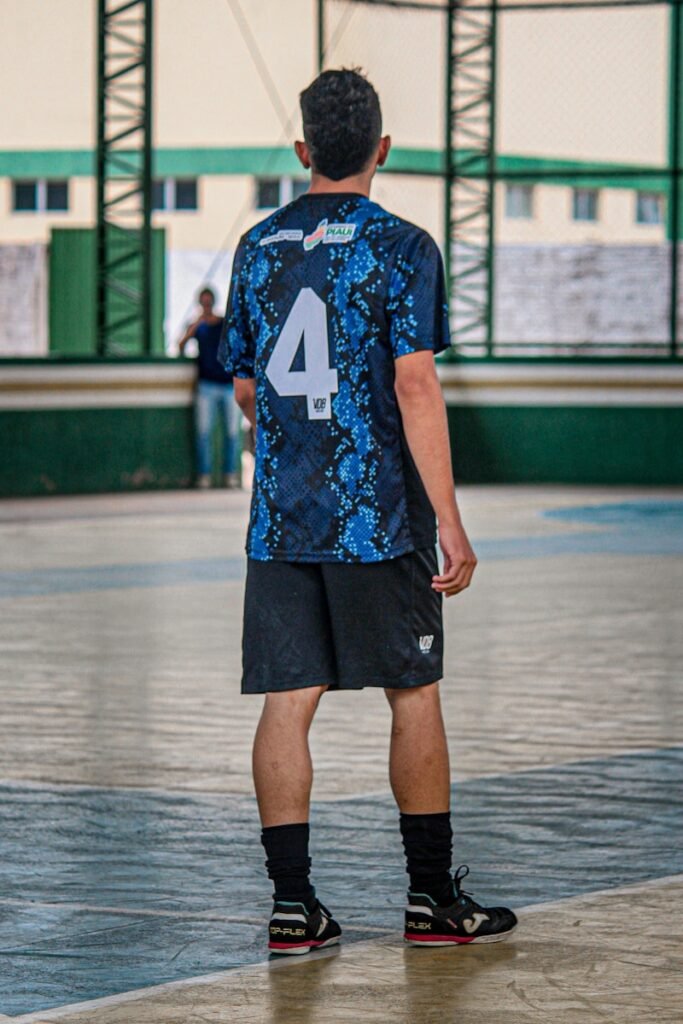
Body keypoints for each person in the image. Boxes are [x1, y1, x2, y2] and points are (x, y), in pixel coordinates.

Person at [219, 68, 517, 954]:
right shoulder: (402, 246)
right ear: (381, 148)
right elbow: (414, 381)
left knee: (287, 698)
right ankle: (431, 901)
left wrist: (294, 443)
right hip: (376, 515)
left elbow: (245, 385)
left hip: (281, 516)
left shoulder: (258, 245)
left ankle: (290, 907)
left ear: (304, 149)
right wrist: (449, 517)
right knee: (412, 691)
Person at [178, 286, 240, 488]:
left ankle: (229, 474)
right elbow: (180, 346)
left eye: (209, 302)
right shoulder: (198, 327)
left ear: (213, 303)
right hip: (206, 385)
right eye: (203, 303)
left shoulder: (223, 324)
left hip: (227, 384)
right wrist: (194, 326)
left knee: (232, 432)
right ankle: (204, 475)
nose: (206, 306)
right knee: (203, 432)